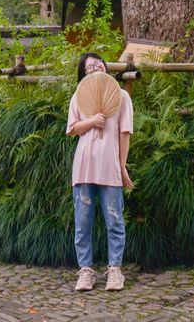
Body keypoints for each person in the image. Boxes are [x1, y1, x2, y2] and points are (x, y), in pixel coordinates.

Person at [66, 51, 134, 292]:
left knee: (114, 220)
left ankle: (115, 270)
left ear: (105, 66)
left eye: (98, 64)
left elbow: (125, 133)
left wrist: (122, 165)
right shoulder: (79, 95)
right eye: (89, 68)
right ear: (84, 74)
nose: (95, 68)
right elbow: (72, 129)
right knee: (82, 222)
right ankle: (86, 271)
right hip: (84, 167)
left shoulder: (122, 96)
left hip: (110, 168)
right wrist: (93, 121)